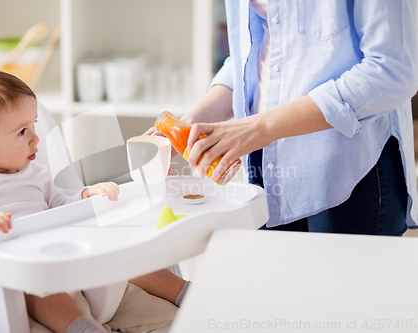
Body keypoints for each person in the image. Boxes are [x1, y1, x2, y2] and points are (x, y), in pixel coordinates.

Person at [0, 70, 189, 333]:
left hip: (64, 252)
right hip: (20, 269)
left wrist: (86, 196)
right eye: (22, 131)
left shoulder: (36, 173)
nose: (35, 138)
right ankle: (79, 327)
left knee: (128, 259)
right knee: (37, 289)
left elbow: (60, 204)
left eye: (34, 125)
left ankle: (184, 292)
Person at [149, 0, 418, 235]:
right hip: (266, 160)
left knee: (341, 292)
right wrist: (187, 126)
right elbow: (250, 52)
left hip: (348, 168)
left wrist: (260, 127)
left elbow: (392, 72)